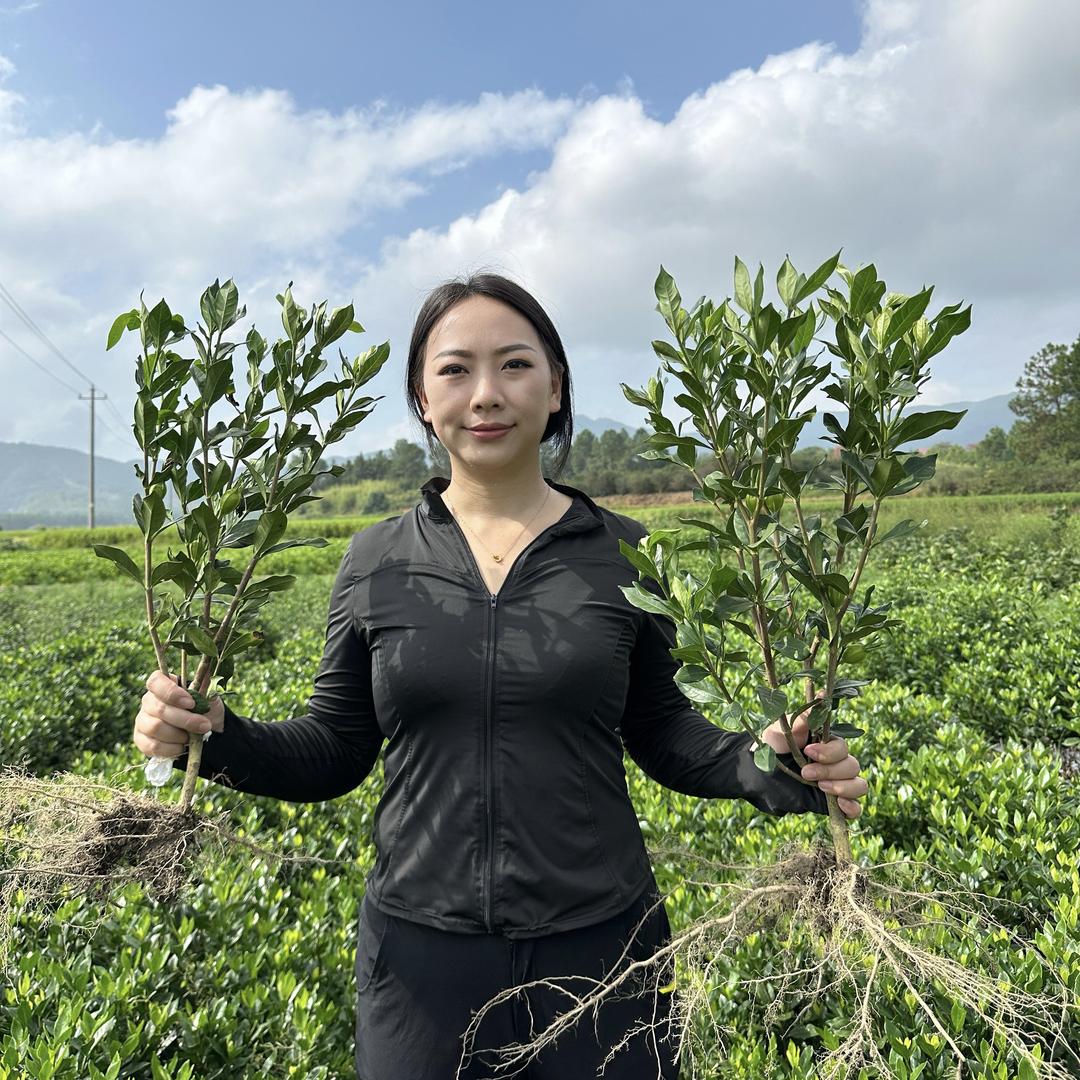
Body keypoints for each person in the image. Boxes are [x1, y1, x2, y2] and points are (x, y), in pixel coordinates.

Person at [134, 272, 868, 1079]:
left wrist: (764, 762)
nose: (486, 394)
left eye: (515, 365)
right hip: (419, 965)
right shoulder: (375, 559)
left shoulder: (626, 552)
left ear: (555, 388)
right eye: (455, 369)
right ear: (421, 397)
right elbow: (336, 749)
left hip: (603, 957)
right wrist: (214, 736)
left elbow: (663, 732)